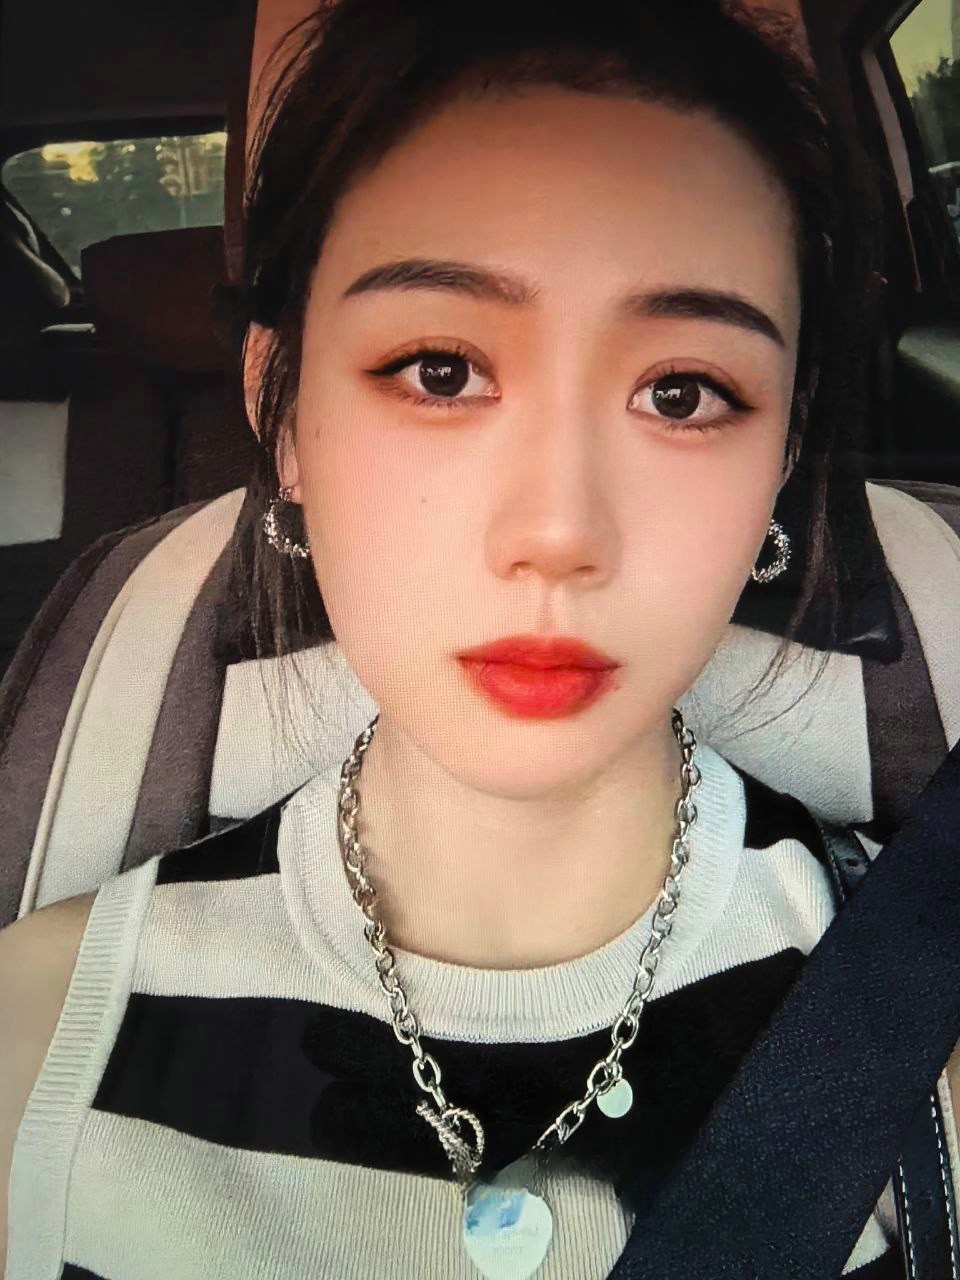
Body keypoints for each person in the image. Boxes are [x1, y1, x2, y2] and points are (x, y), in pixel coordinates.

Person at [0, 0, 949, 1276]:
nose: (558, 532)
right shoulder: (28, 1043)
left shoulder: (930, 1011)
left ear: (783, 447)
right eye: (440, 370)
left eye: (683, 392)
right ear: (282, 414)